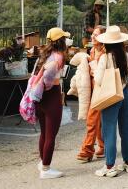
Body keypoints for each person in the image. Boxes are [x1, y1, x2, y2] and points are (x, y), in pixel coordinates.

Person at [93, 25, 128, 178]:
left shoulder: (105, 58)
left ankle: (110, 165)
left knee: (109, 129)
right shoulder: (127, 56)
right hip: (124, 93)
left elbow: (98, 79)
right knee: (127, 129)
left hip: (110, 94)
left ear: (107, 43)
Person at [35, 27, 70, 179]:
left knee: (44, 132)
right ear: (61, 41)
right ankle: (46, 168)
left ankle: (43, 161)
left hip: (40, 97)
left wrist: (42, 85)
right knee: (51, 135)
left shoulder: (45, 54)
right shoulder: (59, 57)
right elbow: (48, 76)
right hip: (52, 95)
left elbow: (40, 73)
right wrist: (48, 84)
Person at [76, 26, 105, 162]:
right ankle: (103, 146)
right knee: (97, 120)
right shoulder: (92, 50)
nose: (92, 36)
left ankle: (87, 150)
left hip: (102, 88)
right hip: (93, 88)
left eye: (96, 35)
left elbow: (100, 74)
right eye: (92, 34)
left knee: (92, 119)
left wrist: (93, 70)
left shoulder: (105, 53)